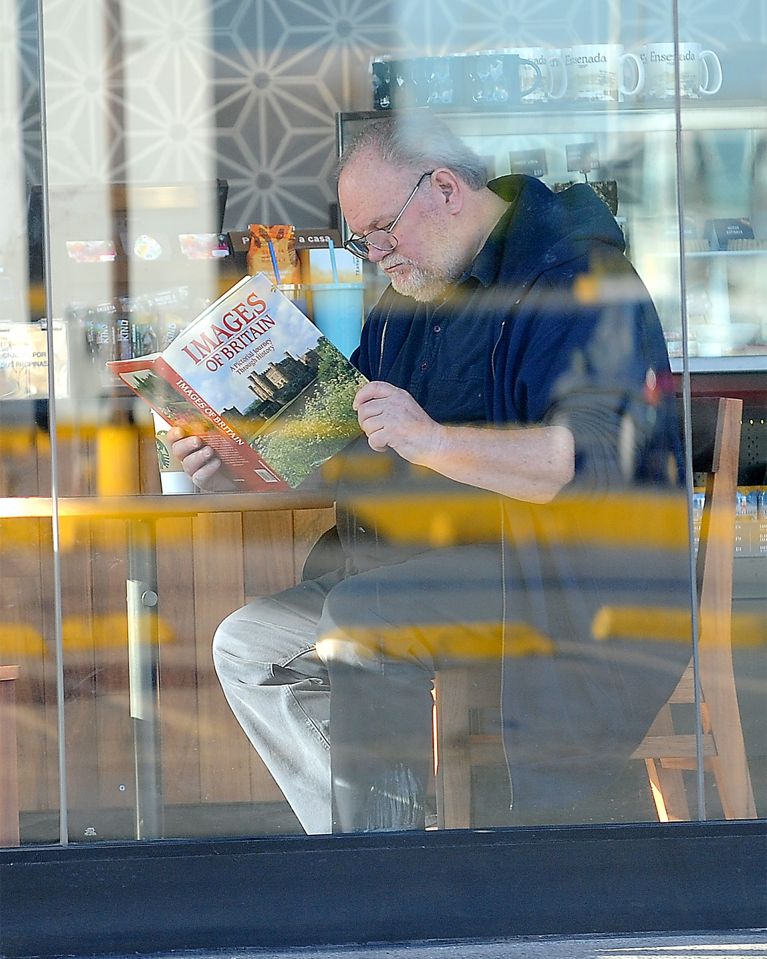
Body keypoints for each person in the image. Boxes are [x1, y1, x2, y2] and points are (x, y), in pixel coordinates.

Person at [170, 113, 691, 834]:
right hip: (421, 561)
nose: (374, 254)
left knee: (365, 619)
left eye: (381, 231)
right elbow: (353, 450)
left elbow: (581, 462)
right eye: (361, 240)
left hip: (562, 576)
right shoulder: (411, 297)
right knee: (247, 643)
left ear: (443, 188)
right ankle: (364, 849)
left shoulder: (576, 274)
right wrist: (234, 462)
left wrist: (432, 438)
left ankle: (389, 879)